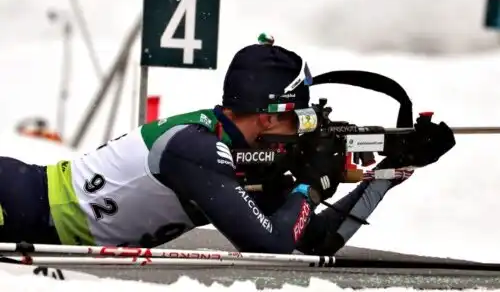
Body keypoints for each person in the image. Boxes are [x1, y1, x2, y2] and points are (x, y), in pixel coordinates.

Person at [0, 37, 456, 255]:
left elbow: (313, 240)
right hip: (16, 204)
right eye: (299, 115)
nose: (304, 126)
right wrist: (311, 186)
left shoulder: (249, 153)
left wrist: (389, 174)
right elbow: (269, 246)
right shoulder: (194, 149)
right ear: (267, 115)